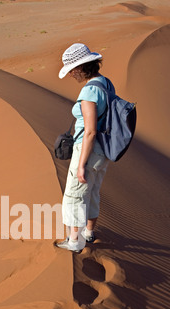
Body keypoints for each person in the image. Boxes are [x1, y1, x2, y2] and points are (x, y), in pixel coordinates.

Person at [55, 43, 115, 254]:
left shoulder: (89, 90)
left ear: (81, 67)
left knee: (74, 195)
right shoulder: (105, 83)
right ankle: (89, 233)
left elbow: (90, 131)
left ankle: (74, 241)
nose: (71, 74)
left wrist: (81, 165)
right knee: (92, 192)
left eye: (72, 70)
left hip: (88, 150)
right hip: (103, 151)